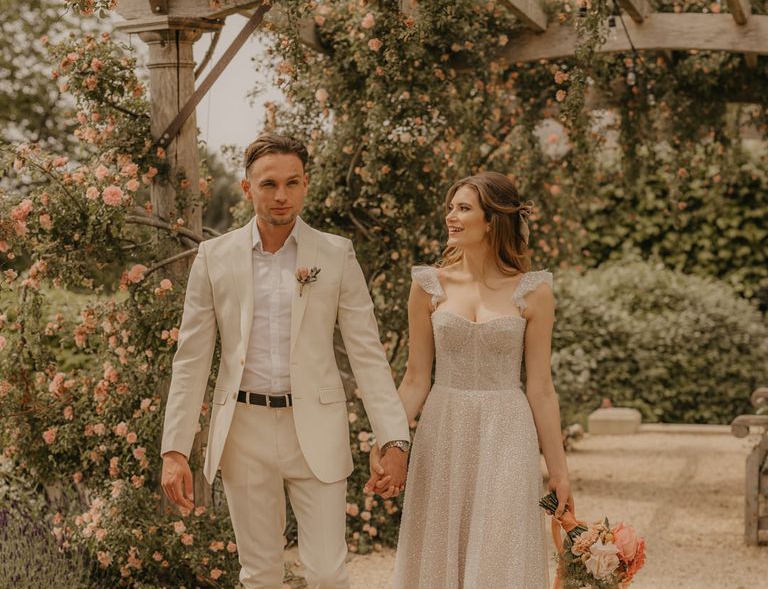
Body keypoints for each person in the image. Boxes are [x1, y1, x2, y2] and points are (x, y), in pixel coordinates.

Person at [160, 133, 410, 589]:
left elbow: (367, 353)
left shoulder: (335, 254)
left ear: (305, 185)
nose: (281, 196)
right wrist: (175, 449)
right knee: (259, 575)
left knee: (329, 575)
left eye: (292, 183)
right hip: (244, 431)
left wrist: (394, 440)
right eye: (269, 184)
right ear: (246, 188)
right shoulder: (214, 258)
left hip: (316, 425)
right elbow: (191, 358)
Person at [368, 171, 573, 588]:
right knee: (440, 546)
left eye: (464, 208)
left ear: (492, 219)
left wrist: (560, 471)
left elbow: (541, 388)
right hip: (443, 427)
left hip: (508, 429)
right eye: (450, 208)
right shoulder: (428, 285)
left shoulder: (533, 291)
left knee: (502, 546)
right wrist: (387, 439)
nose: (451, 217)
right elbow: (414, 379)